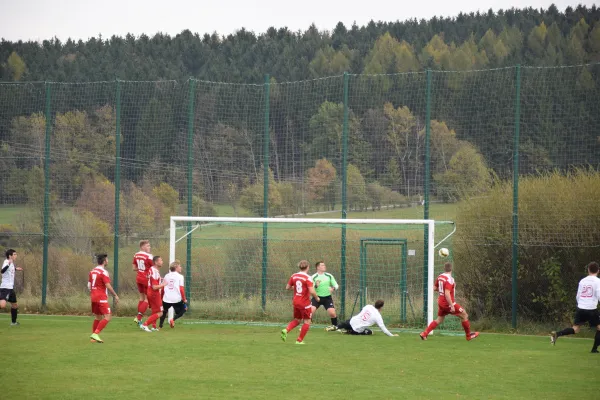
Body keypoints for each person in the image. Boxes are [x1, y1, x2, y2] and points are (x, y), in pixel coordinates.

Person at [419, 262, 479, 341]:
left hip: (441, 302)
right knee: (464, 315)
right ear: (451, 269)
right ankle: (468, 336)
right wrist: (452, 305)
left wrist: (442, 291)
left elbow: (434, 288)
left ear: (444, 268)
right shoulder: (450, 279)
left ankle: (424, 334)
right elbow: (447, 294)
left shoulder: (440, 276)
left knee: (439, 319)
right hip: (447, 303)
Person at [551, 261, 600, 353]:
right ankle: (594, 349)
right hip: (591, 309)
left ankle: (557, 334)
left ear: (588, 270)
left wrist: (580, 305)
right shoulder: (598, 281)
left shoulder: (582, 281)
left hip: (581, 308)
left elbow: (578, 296)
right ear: (598, 270)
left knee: (575, 329)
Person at [281, 260, 320, 345]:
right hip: (304, 303)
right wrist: (317, 298)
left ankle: (286, 330)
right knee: (307, 321)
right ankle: (299, 340)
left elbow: (287, 287)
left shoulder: (294, 275)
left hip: (296, 301)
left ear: (299, 267)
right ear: (308, 267)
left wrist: (297, 288)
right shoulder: (307, 278)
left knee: (297, 320)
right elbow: (312, 291)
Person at [89, 254, 119, 343]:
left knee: (98, 317)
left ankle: (93, 338)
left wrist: (94, 292)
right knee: (108, 316)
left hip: (93, 296)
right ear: (104, 261)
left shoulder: (92, 271)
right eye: (107, 259)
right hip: (101, 297)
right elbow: (108, 285)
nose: (108, 261)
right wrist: (115, 295)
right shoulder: (103, 272)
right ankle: (95, 334)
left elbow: (89, 285)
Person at [327, 299, 398, 336]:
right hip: (357, 329)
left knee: (346, 322)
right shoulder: (378, 316)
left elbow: (362, 311)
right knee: (370, 332)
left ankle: (336, 327)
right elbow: (383, 329)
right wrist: (392, 335)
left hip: (351, 321)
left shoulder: (368, 306)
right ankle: (349, 332)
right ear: (381, 307)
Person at [141, 256, 167, 332]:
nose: (162, 261)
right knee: (160, 313)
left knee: (155, 311)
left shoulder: (153, 270)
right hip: (154, 293)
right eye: (161, 260)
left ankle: (154, 326)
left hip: (151, 292)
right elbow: (155, 287)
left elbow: (150, 279)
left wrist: (160, 280)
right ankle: (145, 324)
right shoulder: (154, 271)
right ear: (156, 262)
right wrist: (164, 284)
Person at [310, 260, 339, 330]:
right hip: (317, 297)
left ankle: (335, 327)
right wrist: (316, 285)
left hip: (327, 298)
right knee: (310, 311)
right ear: (318, 267)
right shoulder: (313, 277)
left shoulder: (329, 276)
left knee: (332, 313)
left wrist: (333, 288)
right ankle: (306, 326)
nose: (324, 266)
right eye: (322, 265)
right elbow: (311, 288)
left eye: (324, 265)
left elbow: (336, 285)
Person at [159, 260, 187, 329]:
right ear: (176, 267)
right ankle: (173, 319)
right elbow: (181, 289)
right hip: (176, 299)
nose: (181, 267)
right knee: (184, 309)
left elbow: (162, 288)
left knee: (164, 312)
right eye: (180, 266)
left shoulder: (166, 276)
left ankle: (160, 326)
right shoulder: (180, 276)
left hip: (166, 298)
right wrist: (184, 299)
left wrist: (161, 298)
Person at [132, 240, 153, 326]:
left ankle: (139, 319)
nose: (149, 247)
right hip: (146, 279)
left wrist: (141, 269)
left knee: (141, 297)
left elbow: (134, 268)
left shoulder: (136, 255)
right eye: (147, 246)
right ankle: (138, 317)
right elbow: (154, 267)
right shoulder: (149, 256)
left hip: (139, 278)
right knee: (148, 299)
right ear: (142, 247)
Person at [1, 249, 23, 326]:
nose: (16, 255)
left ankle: (13, 322)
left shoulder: (12, 263)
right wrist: (9, 263)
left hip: (10, 288)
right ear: (10, 256)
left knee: (14, 305)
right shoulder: (6, 262)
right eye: (14, 254)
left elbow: (10, 270)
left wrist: (16, 269)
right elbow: (2, 271)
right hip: (5, 288)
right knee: (2, 305)